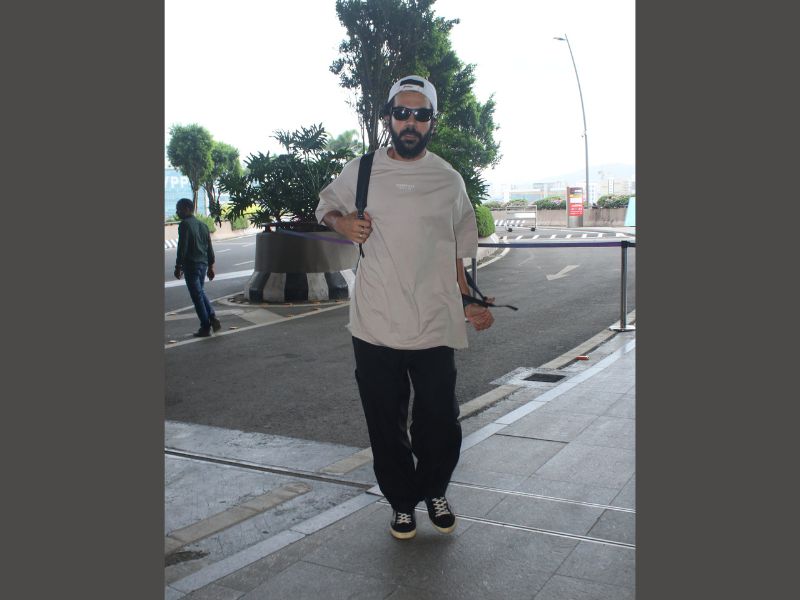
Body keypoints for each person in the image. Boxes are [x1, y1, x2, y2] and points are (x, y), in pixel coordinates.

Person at [315, 75, 494, 540]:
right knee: (384, 421)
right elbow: (325, 207)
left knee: (439, 419)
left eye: (420, 114)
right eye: (402, 113)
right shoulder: (361, 171)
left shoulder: (448, 180)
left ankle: (434, 490)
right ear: (388, 118)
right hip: (376, 322)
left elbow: (457, 251)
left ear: (433, 121)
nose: (410, 122)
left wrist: (469, 300)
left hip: (434, 320)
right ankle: (400, 503)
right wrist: (342, 223)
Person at [173, 198, 221, 337]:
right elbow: (209, 247)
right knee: (200, 292)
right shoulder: (203, 225)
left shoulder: (185, 225)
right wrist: (211, 266)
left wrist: (178, 266)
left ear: (187, 209)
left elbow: (182, 247)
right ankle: (212, 316)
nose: (177, 212)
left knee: (197, 296)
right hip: (203, 264)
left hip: (191, 265)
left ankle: (205, 326)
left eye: (179, 209)